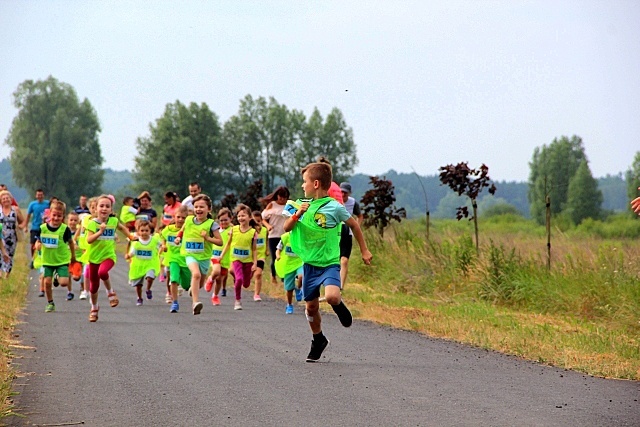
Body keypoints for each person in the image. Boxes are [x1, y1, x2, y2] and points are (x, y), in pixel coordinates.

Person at [283, 160, 372, 362]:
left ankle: (339, 305)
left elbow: (354, 226)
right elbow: (287, 228)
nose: (302, 186)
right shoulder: (299, 205)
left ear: (315, 184)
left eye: (305, 182)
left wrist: (364, 250)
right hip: (310, 265)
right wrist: (298, 214)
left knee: (331, 297)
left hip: (330, 263)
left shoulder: (335, 207)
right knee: (311, 308)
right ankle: (318, 339)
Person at [85, 194, 133, 322]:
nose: (104, 209)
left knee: (103, 272)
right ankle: (94, 308)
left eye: (107, 206)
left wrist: (131, 237)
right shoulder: (92, 223)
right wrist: (99, 232)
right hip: (94, 258)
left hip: (109, 256)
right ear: (96, 209)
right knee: (93, 287)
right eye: (101, 206)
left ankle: (110, 292)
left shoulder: (113, 221)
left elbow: (123, 229)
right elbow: (89, 240)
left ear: (111, 210)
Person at [173, 194, 223, 315]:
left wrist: (207, 238)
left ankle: (193, 288)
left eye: (202, 207)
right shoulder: (189, 219)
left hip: (204, 257)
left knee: (200, 283)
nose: (198, 209)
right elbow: (182, 230)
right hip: (190, 254)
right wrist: (178, 238)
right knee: (196, 275)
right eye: (196, 207)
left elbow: (220, 242)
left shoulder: (212, 224)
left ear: (209, 209)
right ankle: (195, 303)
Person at [33, 201, 76, 311]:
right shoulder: (42, 228)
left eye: (59, 216)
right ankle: (50, 303)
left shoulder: (64, 229)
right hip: (48, 260)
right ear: (50, 214)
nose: (56, 218)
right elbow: (37, 241)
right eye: (54, 215)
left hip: (61, 260)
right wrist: (37, 245)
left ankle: (57, 276)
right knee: (47, 282)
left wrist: (73, 256)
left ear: (63, 216)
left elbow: (71, 242)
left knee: (64, 283)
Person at [220, 204, 257, 311]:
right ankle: (237, 300)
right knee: (239, 279)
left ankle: (243, 277)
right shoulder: (234, 229)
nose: (241, 218)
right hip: (236, 259)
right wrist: (221, 256)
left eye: (243, 216)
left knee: (246, 284)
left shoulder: (253, 232)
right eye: (239, 216)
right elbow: (228, 244)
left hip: (248, 260)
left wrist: (255, 263)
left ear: (250, 217)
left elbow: (254, 249)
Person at [160, 205, 190, 313]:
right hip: (173, 258)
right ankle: (175, 302)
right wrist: (164, 245)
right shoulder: (169, 229)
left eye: (183, 218)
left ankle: (184, 285)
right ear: (174, 217)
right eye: (178, 217)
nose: (180, 220)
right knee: (173, 279)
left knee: (186, 285)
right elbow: (162, 236)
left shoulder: (188, 230)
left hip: (185, 259)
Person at [125, 219, 161, 306]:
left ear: (150, 231)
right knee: (138, 285)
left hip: (150, 264)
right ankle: (139, 297)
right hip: (139, 265)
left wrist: (164, 248)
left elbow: (161, 245)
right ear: (138, 231)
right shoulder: (136, 242)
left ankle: (148, 289)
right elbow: (132, 252)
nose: (144, 233)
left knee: (150, 278)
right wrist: (129, 255)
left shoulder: (154, 240)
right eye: (142, 230)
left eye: (146, 231)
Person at [261, 186, 290, 285]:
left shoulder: (289, 205)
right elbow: (263, 218)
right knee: (274, 257)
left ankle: (283, 276)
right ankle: (273, 276)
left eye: (284, 197)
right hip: (273, 235)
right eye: (280, 197)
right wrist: (268, 226)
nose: (282, 199)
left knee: (285, 256)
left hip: (285, 235)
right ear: (277, 196)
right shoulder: (272, 205)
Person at [339, 182, 363, 289]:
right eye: (341, 192)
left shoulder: (353, 203)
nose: (343, 194)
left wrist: (355, 228)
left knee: (344, 260)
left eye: (345, 192)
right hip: (334, 233)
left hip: (347, 233)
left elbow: (360, 216)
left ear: (349, 193)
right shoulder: (334, 200)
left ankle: (340, 287)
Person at [208, 207, 232, 305]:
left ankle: (215, 296)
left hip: (225, 259)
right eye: (221, 220)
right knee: (216, 271)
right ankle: (210, 279)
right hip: (214, 256)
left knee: (219, 280)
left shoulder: (232, 230)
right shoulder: (215, 230)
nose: (223, 222)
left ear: (230, 219)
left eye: (226, 220)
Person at [275, 231, 303, 314]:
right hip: (288, 265)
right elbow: (278, 250)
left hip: (300, 262)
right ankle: (289, 304)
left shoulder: (302, 236)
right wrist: (278, 256)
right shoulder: (285, 237)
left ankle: (298, 288)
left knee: (301, 276)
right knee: (289, 289)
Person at [0, 190, 24, 278]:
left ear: (11, 199)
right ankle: (0, 273)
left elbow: (22, 221)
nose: (5, 200)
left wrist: (21, 227)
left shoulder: (15, 210)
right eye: (3, 198)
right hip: (1, 235)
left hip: (12, 236)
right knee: (0, 253)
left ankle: (7, 274)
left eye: (7, 198)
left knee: (9, 254)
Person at [22, 189, 50, 260]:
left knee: (44, 244)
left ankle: (43, 258)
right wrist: (25, 226)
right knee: (32, 244)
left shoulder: (47, 204)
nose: (39, 196)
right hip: (35, 227)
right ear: (36, 196)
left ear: (43, 195)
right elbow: (28, 215)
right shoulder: (32, 204)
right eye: (38, 195)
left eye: (41, 195)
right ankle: (33, 259)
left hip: (45, 227)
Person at [251, 210, 268, 302]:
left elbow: (266, 240)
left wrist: (267, 250)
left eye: (259, 221)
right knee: (248, 276)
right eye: (255, 221)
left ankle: (256, 294)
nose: (257, 223)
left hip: (261, 256)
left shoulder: (265, 230)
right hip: (250, 257)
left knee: (258, 274)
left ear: (261, 221)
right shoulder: (250, 232)